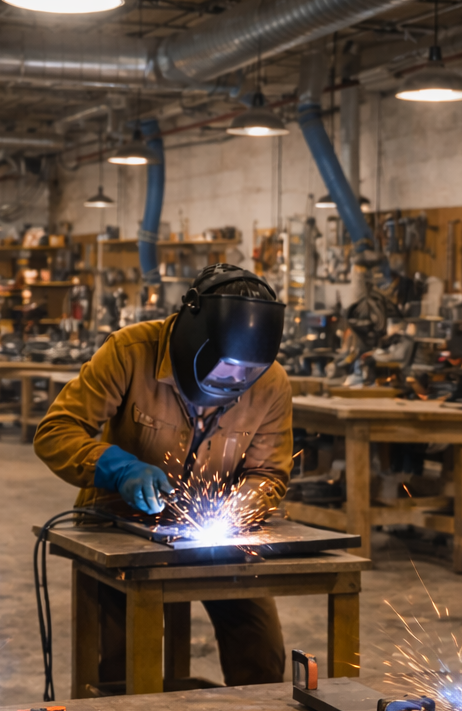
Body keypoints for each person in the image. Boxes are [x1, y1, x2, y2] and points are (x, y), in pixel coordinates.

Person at [35, 264, 292, 689]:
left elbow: (268, 473)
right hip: (120, 526)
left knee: (261, 652)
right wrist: (118, 468)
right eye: (224, 368)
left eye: (246, 375)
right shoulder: (129, 351)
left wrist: (241, 507)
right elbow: (55, 433)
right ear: (196, 336)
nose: (233, 382)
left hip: (219, 539)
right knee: (123, 668)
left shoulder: (271, 383)